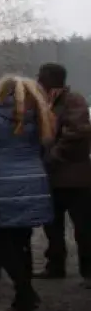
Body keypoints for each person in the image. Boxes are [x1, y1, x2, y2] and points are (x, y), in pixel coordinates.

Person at [0, 76, 55, 311]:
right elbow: (45, 147)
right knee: (23, 240)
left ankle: (25, 292)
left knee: (2, 242)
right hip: (34, 180)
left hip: (3, 184)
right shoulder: (39, 114)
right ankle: (23, 297)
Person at [36, 63, 91, 287]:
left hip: (76, 178)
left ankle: (89, 271)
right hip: (53, 177)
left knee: (84, 227)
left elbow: (77, 132)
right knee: (52, 224)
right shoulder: (47, 103)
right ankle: (55, 265)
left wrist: (53, 155)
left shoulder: (74, 100)